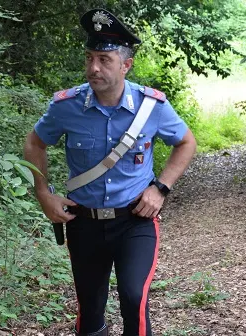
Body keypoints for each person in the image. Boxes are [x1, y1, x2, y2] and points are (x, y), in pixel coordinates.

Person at [23, 8, 196, 336]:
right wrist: (43, 194)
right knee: (89, 308)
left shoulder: (152, 107)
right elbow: (34, 143)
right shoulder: (66, 107)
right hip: (83, 223)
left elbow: (186, 142)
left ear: (126, 64)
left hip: (135, 221)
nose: (93, 68)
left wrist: (160, 188)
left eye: (104, 59)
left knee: (134, 297)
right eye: (89, 58)